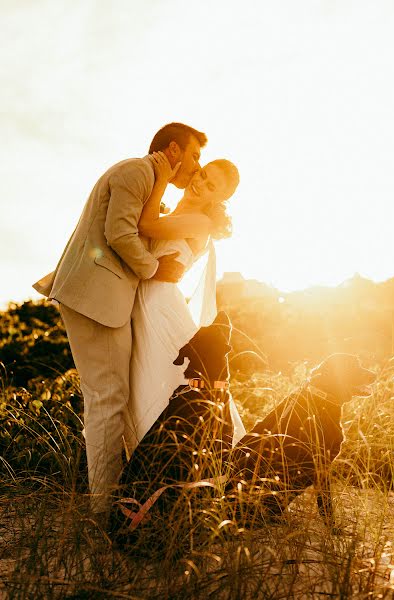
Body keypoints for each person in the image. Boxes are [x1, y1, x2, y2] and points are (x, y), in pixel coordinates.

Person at [33, 123, 207, 515]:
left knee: (114, 397)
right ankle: (105, 508)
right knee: (107, 399)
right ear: (174, 149)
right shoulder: (136, 172)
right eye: (195, 155)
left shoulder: (150, 183)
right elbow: (119, 234)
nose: (197, 167)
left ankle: (122, 493)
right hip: (96, 299)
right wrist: (154, 268)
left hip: (107, 300)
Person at [123, 152, 246, 459]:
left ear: (221, 197)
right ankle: (147, 466)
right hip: (142, 302)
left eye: (212, 185)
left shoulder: (200, 223)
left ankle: (178, 461)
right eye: (202, 174)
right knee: (142, 380)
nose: (200, 183)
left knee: (161, 380)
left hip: (160, 307)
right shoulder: (173, 211)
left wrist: (162, 179)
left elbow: (146, 226)